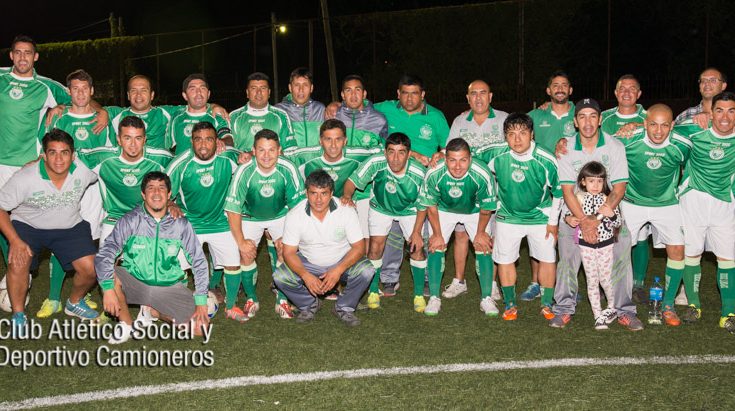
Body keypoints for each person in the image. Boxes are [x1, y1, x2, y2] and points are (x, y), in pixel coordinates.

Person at [552, 98, 643, 331]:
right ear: (575, 121)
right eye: (582, 117)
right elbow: (567, 191)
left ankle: (624, 310)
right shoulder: (566, 147)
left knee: (622, 254)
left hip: (608, 215)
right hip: (574, 214)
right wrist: (584, 221)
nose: (588, 122)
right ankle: (564, 308)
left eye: (593, 116)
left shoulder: (614, 146)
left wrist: (597, 219)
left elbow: (619, 189)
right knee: (567, 260)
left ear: (600, 119)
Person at [0, 129, 100, 336]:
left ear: (73, 155)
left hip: (69, 227)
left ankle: (74, 302)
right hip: (29, 226)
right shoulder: (25, 177)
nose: (59, 159)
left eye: (64, 153)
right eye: (52, 152)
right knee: (18, 261)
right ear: (44, 155)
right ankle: (18, 314)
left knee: (91, 268)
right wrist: (15, 240)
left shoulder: (83, 170)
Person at [95, 171, 210, 344]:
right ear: (143, 194)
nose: (156, 193)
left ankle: (152, 312)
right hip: (135, 281)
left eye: (161, 188)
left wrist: (201, 301)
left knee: (200, 328)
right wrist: (108, 289)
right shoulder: (130, 220)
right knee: (111, 273)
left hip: (168, 285)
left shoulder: (181, 223)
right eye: (151, 188)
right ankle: (126, 325)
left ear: (169, 194)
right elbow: (105, 253)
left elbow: (199, 261)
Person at [36, 69, 110, 318]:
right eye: (75, 89)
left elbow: (110, 154)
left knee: (88, 241)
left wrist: (104, 111)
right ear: (68, 92)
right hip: (63, 187)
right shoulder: (57, 117)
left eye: (84, 88)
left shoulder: (103, 119)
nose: (80, 93)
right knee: (60, 239)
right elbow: (42, 152)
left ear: (92, 91)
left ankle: (83, 292)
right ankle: (53, 298)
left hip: (93, 190)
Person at [476, 113, 561, 322]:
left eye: (522, 133)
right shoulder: (496, 152)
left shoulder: (546, 158)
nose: (517, 139)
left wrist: (553, 223)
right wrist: (442, 154)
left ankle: (546, 303)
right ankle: (510, 304)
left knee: (547, 259)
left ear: (532, 134)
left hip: (540, 217)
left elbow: (558, 193)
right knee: (505, 260)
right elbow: (466, 155)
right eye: (511, 134)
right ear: (505, 136)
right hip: (507, 216)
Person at [373, 74, 450, 298]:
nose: (409, 98)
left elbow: (448, 147)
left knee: (423, 231)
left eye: (414, 93)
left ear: (422, 94)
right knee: (393, 232)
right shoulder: (386, 108)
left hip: (423, 182)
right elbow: (359, 105)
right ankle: (389, 277)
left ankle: (425, 277)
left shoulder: (435, 116)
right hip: (394, 178)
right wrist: (335, 106)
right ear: (398, 94)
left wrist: (441, 154)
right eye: (404, 93)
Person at [272, 169, 374, 327]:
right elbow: (289, 252)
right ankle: (309, 304)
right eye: (313, 193)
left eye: (324, 193)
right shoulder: (295, 215)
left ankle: (344, 308)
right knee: (280, 277)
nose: (318, 199)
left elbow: (359, 248)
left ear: (331, 193)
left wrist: (338, 270)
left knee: (367, 270)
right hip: (309, 261)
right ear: (306, 193)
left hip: (341, 259)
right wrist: (305, 275)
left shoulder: (346, 210)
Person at [619, 104, 690, 326]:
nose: (658, 131)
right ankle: (619, 303)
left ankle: (667, 305)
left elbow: (693, 164)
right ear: (644, 123)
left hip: (667, 203)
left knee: (678, 250)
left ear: (672, 125)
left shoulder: (682, 145)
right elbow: (599, 145)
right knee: (619, 250)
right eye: (653, 125)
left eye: (664, 125)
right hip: (632, 202)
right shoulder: (628, 139)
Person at [341, 132, 427, 311]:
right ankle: (373, 291)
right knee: (375, 248)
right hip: (380, 207)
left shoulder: (419, 173)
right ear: (385, 152)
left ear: (409, 154)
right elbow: (351, 181)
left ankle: (418, 295)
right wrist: (347, 196)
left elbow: (423, 205)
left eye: (401, 153)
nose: (395, 158)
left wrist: (417, 232)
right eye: (391, 152)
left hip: (410, 210)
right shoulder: (376, 162)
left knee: (416, 248)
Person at [225, 129, 303, 320]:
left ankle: (282, 300)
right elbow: (233, 209)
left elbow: (299, 206)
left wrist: (290, 236)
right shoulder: (245, 171)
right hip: (250, 217)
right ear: (253, 151)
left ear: (279, 150)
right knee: (246, 252)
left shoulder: (288, 168)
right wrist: (241, 242)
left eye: (271, 150)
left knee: (286, 250)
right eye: (261, 150)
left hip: (281, 214)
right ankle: (252, 298)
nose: (266, 155)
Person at [166, 121, 241, 315]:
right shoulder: (180, 163)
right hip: (191, 224)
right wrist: (171, 204)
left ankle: (231, 307)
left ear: (217, 141)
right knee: (179, 266)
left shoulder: (228, 157)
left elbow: (248, 160)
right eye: (198, 139)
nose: (203, 145)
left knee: (233, 262)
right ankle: (181, 304)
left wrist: (248, 156)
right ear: (191, 141)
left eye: (209, 139)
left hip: (220, 222)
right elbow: (162, 191)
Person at [444, 79, 509, 301]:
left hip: (497, 189)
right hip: (466, 189)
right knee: (460, 234)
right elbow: (449, 151)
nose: (478, 97)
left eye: (483, 93)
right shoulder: (460, 121)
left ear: (490, 97)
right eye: (474, 93)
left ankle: (491, 283)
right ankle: (459, 281)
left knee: (491, 237)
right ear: (468, 98)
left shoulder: (503, 119)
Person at [676, 91, 735, 329]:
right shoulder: (694, 129)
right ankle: (694, 305)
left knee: (728, 258)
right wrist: (634, 127)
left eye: (731, 111)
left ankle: (729, 313)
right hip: (693, 200)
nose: (725, 117)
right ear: (711, 112)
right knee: (691, 254)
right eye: (719, 110)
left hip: (725, 204)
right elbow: (660, 128)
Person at [418, 138, 496, 317]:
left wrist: (480, 233)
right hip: (445, 209)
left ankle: (486, 298)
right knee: (436, 245)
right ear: (445, 159)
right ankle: (434, 298)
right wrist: (437, 234)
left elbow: (486, 208)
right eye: (452, 160)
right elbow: (431, 206)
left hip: (475, 210)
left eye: (463, 160)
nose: (458, 166)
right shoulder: (434, 172)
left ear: (470, 159)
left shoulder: (482, 173)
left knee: (483, 246)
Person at [521, 70, 576, 302]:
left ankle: (567, 285)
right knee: (540, 235)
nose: (560, 89)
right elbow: (517, 136)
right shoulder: (535, 115)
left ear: (570, 90)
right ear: (548, 90)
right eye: (555, 85)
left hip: (574, 184)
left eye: (564, 85)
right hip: (541, 185)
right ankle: (536, 283)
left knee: (570, 236)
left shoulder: (581, 113)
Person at [78, 116, 173, 244]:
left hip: (148, 216)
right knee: (106, 255)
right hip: (114, 217)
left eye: (138, 138)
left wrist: (172, 203)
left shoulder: (161, 158)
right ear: (118, 139)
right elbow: (71, 154)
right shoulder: (103, 157)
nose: (133, 144)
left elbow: (181, 173)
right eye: (127, 138)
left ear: (144, 139)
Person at [288, 119, 380, 242]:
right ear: (320, 141)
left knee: (363, 233)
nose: (333, 145)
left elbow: (384, 152)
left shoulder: (358, 154)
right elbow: (279, 157)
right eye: (328, 139)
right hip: (317, 200)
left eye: (338, 139)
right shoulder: (305, 155)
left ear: (345, 141)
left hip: (349, 199)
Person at [564, 162, 622, 330]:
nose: (595, 185)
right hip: (586, 246)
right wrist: (569, 219)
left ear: (604, 182)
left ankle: (611, 308)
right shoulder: (578, 198)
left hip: (605, 246)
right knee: (592, 280)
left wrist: (611, 215)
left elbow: (618, 222)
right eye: (591, 181)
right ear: (583, 182)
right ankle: (597, 315)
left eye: (599, 181)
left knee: (605, 279)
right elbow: (567, 214)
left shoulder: (607, 200)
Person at [229, 72, 295, 153]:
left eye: (263, 88)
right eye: (254, 88)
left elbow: (289, 149)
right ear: (247, 93)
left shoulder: (281, 116)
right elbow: (229, 151)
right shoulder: (234, 117)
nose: (259, 92)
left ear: (269, 92)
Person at [167, 74, 232, 154]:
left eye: (202, 88)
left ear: (208, 94)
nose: (198, 92)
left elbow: (229, 139)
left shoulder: (218, 115)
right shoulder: (175, 116)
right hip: (182, 162)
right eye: (193, 89)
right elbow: (168, 146)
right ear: (185, 96)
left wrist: (222, 142)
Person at [275, 67, 326, 148]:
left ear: (311, 88)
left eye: (305, 85)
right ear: (290, 88)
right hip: (290, 156)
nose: (301, 90)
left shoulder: (320, 109)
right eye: (297, 85)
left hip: (316, 156)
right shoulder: (279, 111)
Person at [334, 74, 388, 148]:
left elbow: (385, 149)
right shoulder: (333, 116)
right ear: (343, 95)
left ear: (364, 94)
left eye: (357, 90)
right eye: (348, 90)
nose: (353, 94)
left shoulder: (379, 120)